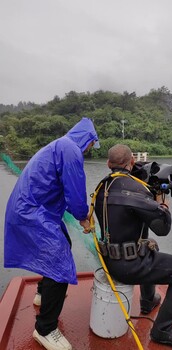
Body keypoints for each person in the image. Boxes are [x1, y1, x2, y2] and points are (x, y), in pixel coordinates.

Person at [4, 117, 99, 350]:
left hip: (29, 208)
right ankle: (45, 329)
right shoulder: (71, 151)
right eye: (91, 145)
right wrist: (84, 217)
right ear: (87, 139)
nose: (89, 150)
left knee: (61, 242)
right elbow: (75, 194)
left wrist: (81, 214)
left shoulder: (59, 146)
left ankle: (41, 294)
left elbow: (60, 190)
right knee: (59, 262)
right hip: (32, 213)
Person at [94, 144, 172, 349]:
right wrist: (162, 202)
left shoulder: (101, 187)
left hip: (108, 260)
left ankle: (148, 301)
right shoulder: (137, 190)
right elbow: (162, 228)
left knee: (151, 244)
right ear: (132, 161)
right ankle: (162, 331)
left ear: (108, 164)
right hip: (129, 267)